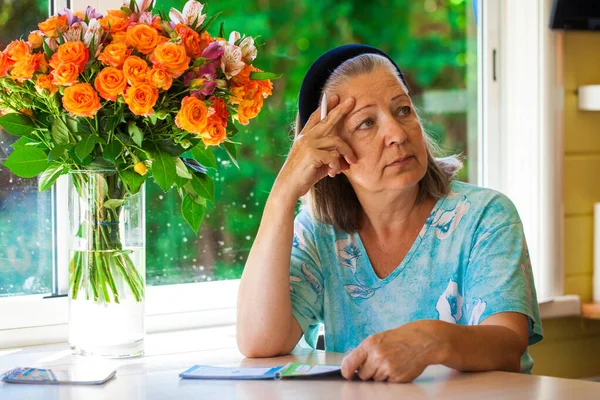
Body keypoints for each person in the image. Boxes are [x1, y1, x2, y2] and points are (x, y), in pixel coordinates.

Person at [236, 44, 543, 383]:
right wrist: (283, 192)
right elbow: (259, 341)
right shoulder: (318, 233)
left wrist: (430, 340)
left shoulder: (485, 216)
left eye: (403, 110)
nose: (397, 134)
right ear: (332, 152)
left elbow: (507, 345)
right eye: (367, 123)